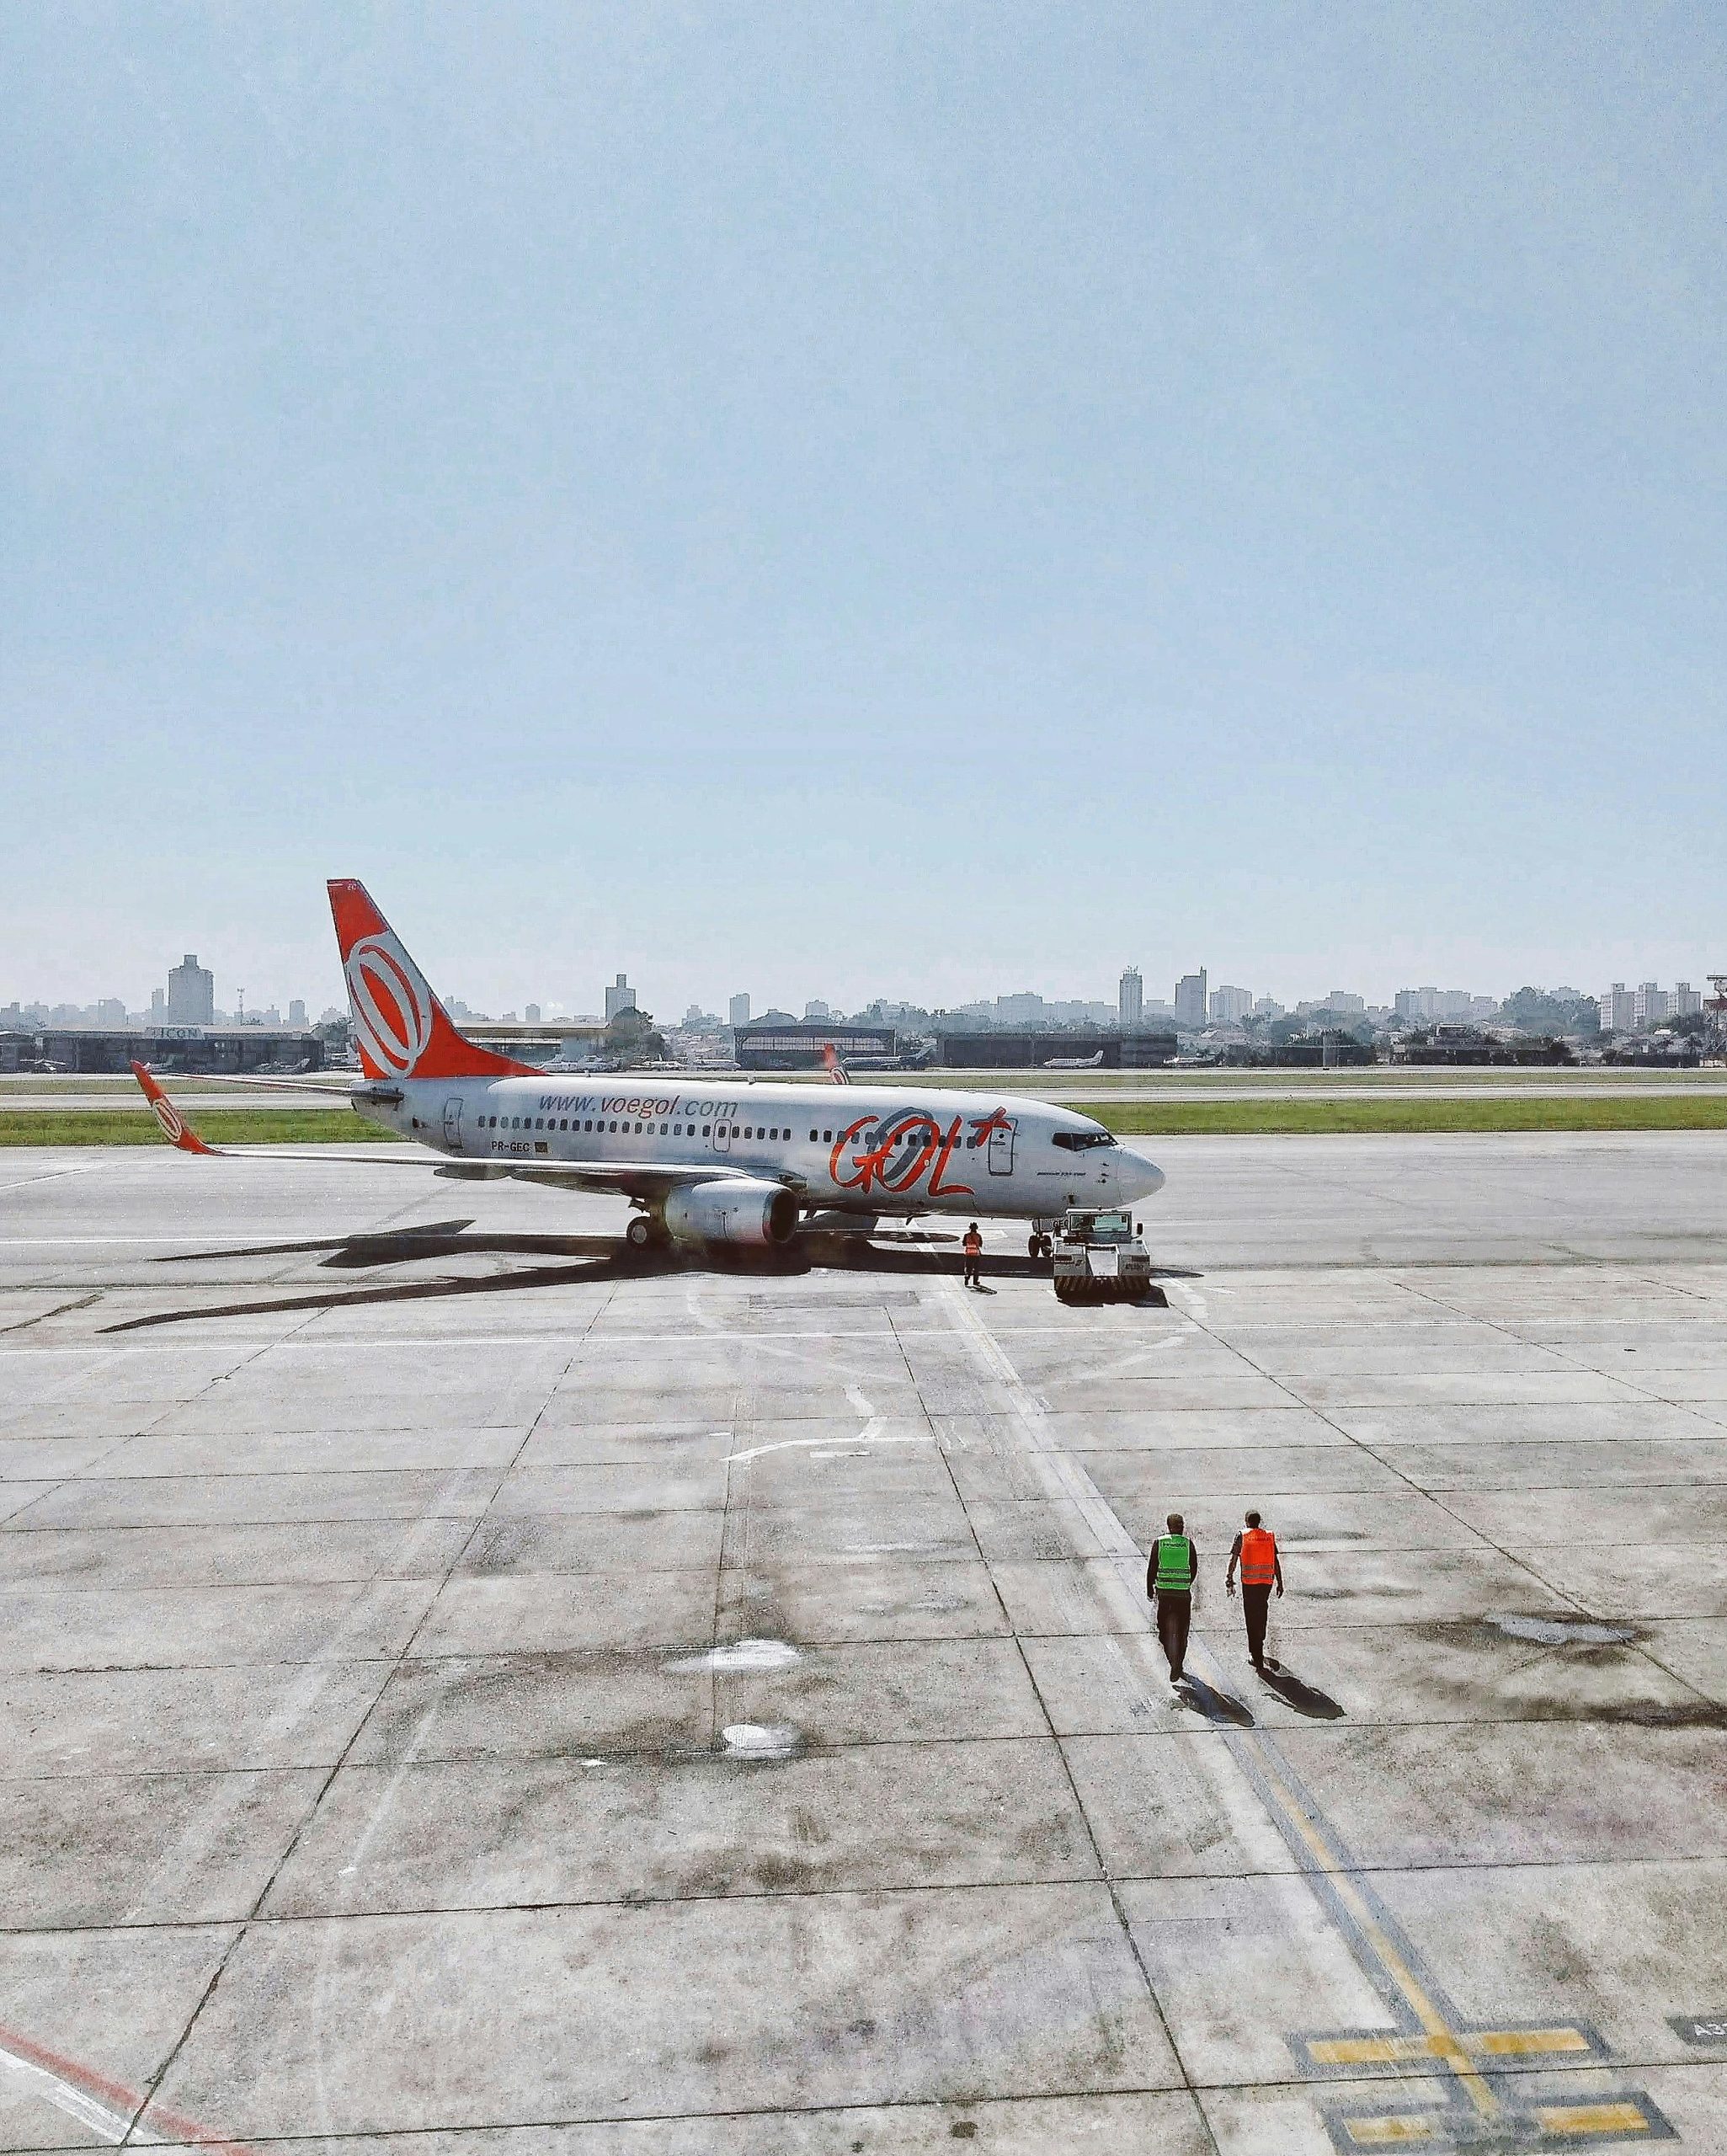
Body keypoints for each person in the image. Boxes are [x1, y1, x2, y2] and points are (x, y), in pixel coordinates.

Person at [1225, 1508, 1283, 1672]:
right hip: (1266, 1582)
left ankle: (1256, 1654)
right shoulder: (1268, 1536)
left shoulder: (1242, 1535)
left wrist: (1229, 1577)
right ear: (1259, 1522)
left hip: (1250, 1583)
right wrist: (1280, 1582)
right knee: (1262, 1611)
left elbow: (1234, 1558)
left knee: (1251, 1617)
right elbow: (1275, 1560)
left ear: (1247, 1522)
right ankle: (1260, 1638)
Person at [1147, 1511, 1197, 1686]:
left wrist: (1150, 1588)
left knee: (1164, 1631)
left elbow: (1152, 1566)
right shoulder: (1187, 1544)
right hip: (1182, 1594)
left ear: (1168, 1527)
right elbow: (1194, 1567)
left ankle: (1174, 1662)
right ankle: (1178, 1663)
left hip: (1165, 1595)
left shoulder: (1160, 1543)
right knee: (1182, 1631)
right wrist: (1184, 1583)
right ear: (1179, 1527)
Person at [962, 1221, 983, 1289]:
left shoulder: (966, 1235)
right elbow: (980, 1245)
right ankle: (975, 1281)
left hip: (968, 1254)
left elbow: (964, 1244)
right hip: (976, 1254)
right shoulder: (978, 1236)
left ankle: (967, 1278)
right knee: (976, 1269)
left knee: (969, 1267)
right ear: (976, 1228)